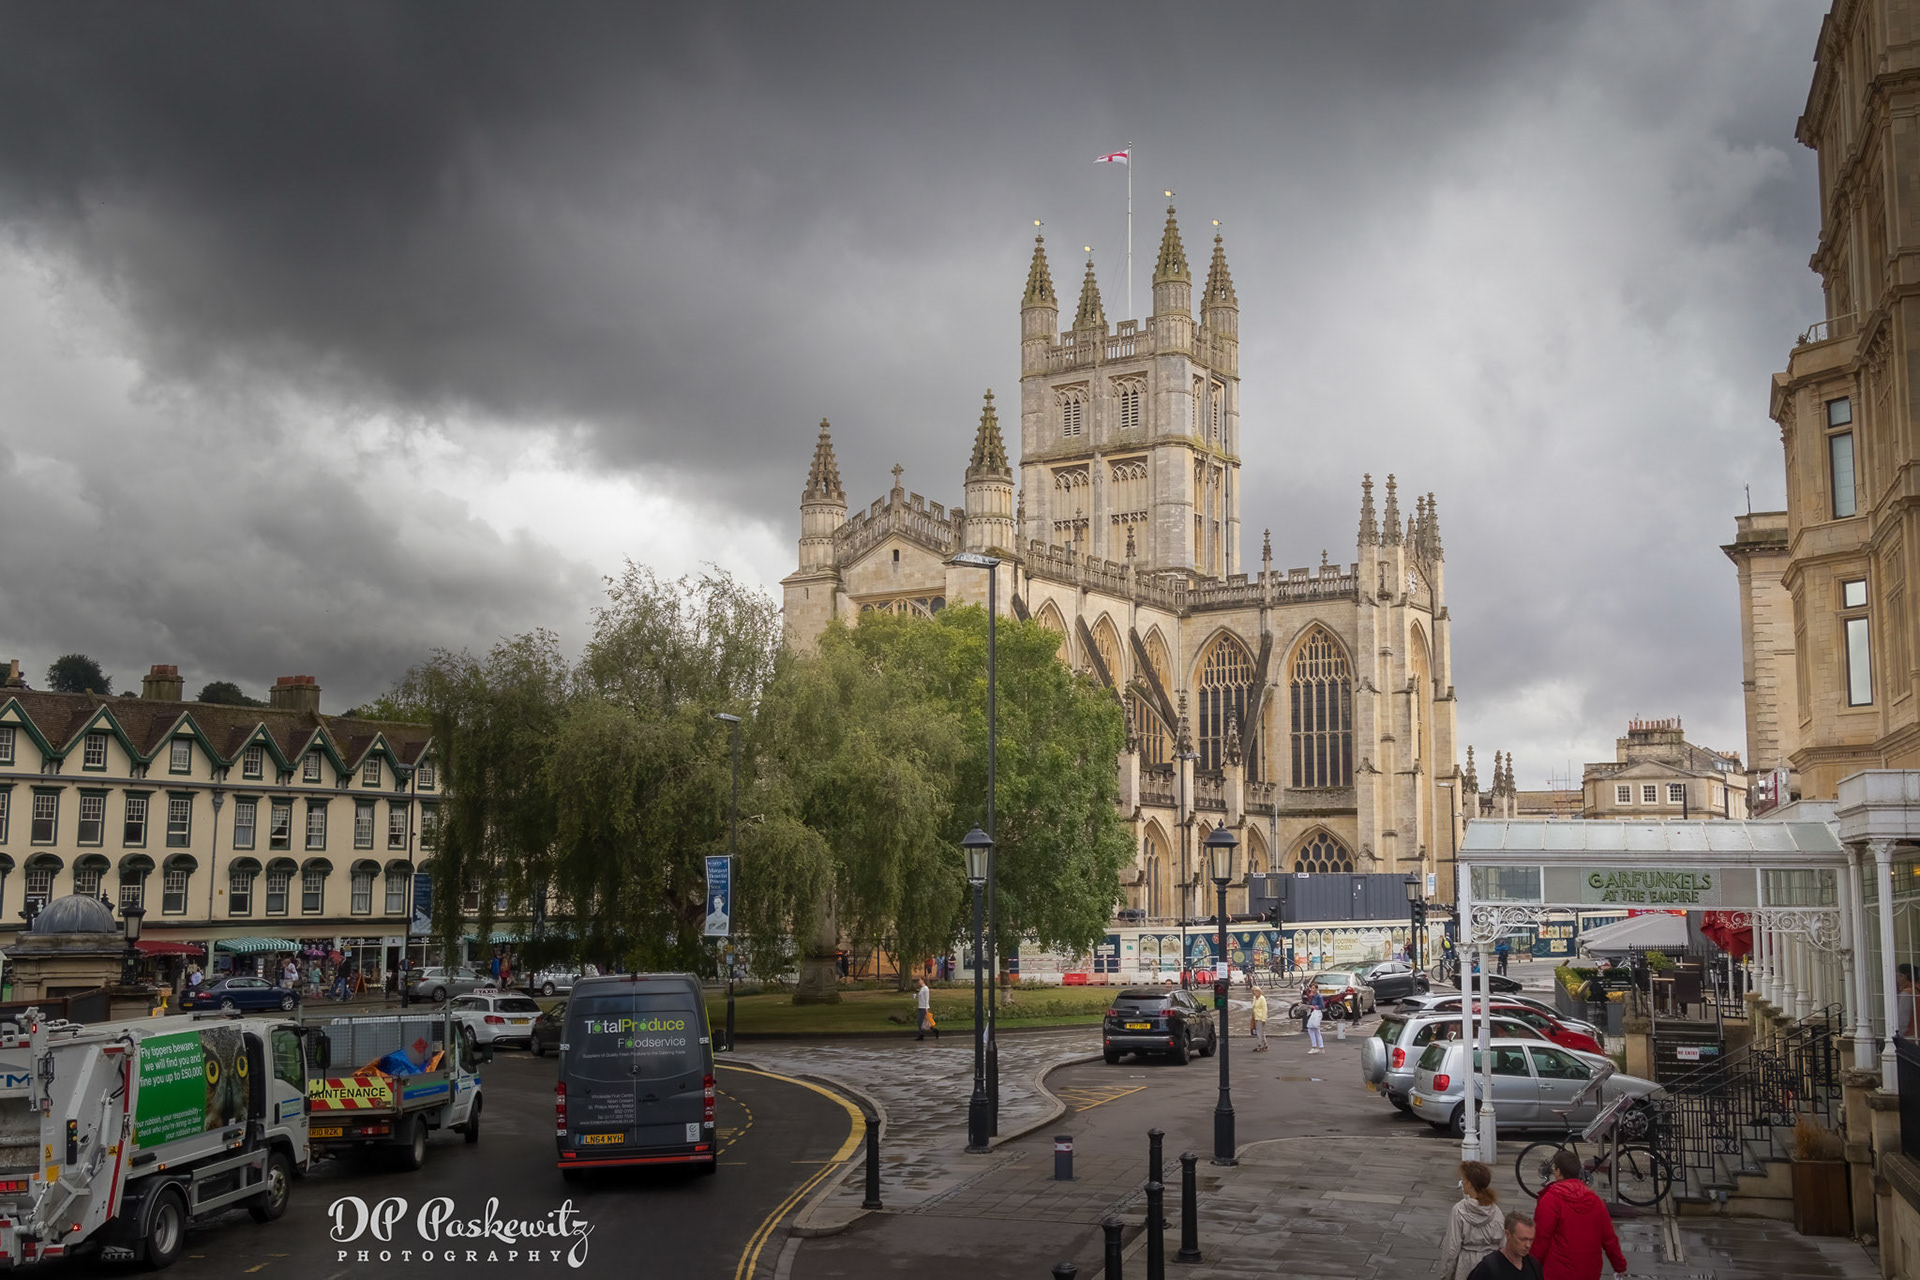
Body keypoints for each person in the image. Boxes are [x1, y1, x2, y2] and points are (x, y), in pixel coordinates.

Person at [1531, 1149, 1626, 1280]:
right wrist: (1619, 1265)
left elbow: (1541, 1239)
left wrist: (1531, 1267)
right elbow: (1609, 1239)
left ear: (1558, 1171)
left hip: (1557, 1271)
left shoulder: (1550, 1200)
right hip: (1589, 1271)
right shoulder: (1596, 1201)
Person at [1441, 1161, 1507, 1280]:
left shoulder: (1459, 1210)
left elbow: (1451, 1248)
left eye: (1464, 1179)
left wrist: (1445, 1275)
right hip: (1491, 1266)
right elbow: (1503, 1243)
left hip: (1466, 1266)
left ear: (1470, 1184)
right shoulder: (1496, 1211)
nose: (1462, 1183)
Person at [1467, 1212, 1543, 1280]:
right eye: (1522, 1239)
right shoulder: (1488, 1268)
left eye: (1531, 1240)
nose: (1528, 1245)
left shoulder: (1533, 1266)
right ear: (1508, 1234)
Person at [1303, 979, 1326, 1053]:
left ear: (1316, 989)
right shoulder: (1312, 996)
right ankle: (1319, 1047)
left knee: (1314, 1029)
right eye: (1311, 988)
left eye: (1313, 988)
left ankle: (1316, 1047)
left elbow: (1322, 1006)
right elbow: (1309, 1003)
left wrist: (1314, 1007)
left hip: (1317, 1013)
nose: (1311, 989)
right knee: (1313, 1029)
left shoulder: (1318, 996)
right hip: (1313, 1014)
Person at [914, 977, 939, 1041]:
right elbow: (921, 997)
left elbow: (927, 999)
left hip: (924, 1008)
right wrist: (916, 996)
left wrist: (926, 1008)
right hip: (920, 1006)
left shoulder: (926, 989)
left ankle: (921, 1035)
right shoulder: (921, 989)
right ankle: (935, 1031)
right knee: (926, 1023)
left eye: (919, 980)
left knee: (920, 1022)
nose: (919, 981)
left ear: (923, 981)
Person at [1250, 987, 1269, 1051]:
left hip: (1260, 1018)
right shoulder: (1255, 998)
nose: (1254, 993)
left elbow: (1264, 1009)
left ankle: (1259, 1045)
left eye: (1255, 991)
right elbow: (1254, 1007)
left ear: (1259, 991)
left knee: (1259, 1032)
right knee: (1261, 1032)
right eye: (1253, 991)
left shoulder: (1262, 999)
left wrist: (1264, 1019)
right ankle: (1265, 1044)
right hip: (1256, 1017)